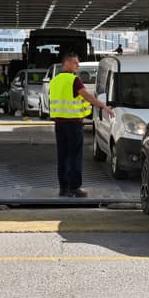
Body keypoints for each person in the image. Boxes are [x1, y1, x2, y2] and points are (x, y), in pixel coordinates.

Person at [49, 52, 114, 197]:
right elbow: (87, 96)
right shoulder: (74, 80)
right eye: (75, 63)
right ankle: (74, 188)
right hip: (73, 124)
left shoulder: (55, 80)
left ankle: (63, 188)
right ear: (66, 64)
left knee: (62, 156)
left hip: (59, 124)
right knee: (75, 156)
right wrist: (103, 106)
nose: (77, 66)